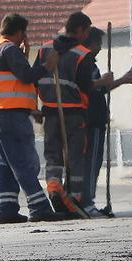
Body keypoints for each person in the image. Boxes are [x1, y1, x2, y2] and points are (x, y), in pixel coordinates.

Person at [0, 13, 61, 223]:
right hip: (9, 113)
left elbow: (11, 78)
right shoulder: (8, 49)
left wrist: (23, 56)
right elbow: (26, 76)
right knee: (22, 160)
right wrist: (47, 66)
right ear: (19, 32)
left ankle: (6, 208)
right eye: (24, 33)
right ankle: (39, 207)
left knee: (5, 162)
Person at [35, 11, 97, 216]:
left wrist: (37, 106)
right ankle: (73, 199)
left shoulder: (44, 49)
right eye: (86, 31)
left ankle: (54, 190)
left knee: (53, 156)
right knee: (75, 157)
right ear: (79, 30)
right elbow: (87, 87)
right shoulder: (82, 54)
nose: (87, 36)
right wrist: (103, 83)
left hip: (50, 113)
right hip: (74, 115)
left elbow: (35, 79)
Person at [81, 26, 132, 217]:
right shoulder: (85, 64)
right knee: (91, 162)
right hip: (92, 121)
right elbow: (88, 88)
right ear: (91, 43)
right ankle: (87, 201)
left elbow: (101, 90)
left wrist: (122, 80)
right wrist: (105, 81)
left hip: (91, 120)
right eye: (98, 44)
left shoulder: (88, 63)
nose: (100, 48)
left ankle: (85, 199)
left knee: (91, 162)